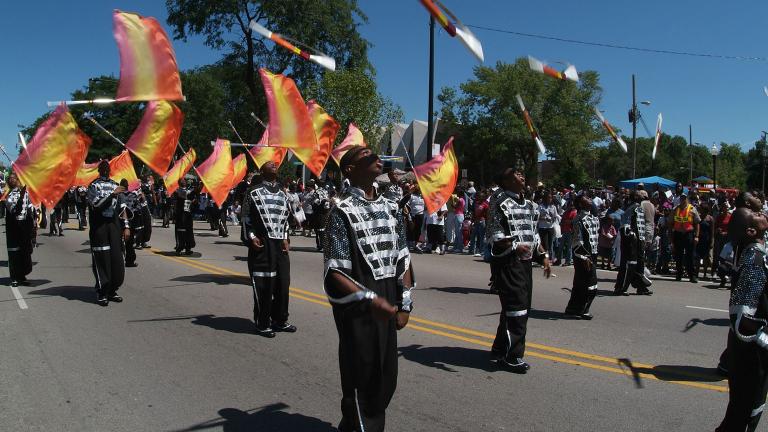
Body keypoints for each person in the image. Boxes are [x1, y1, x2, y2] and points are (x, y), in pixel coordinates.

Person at [323, 147, 414, 432]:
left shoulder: (390, 206)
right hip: (359, 301)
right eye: (367, 156)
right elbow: (335, 271)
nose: (377, 159)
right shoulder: (340, 211)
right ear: (349, 169)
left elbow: (403, 257)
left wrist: (405, 302)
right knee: (364, 376)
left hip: (388, 296)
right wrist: (370, 299)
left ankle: (352, 423)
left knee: (386, 377)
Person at [488, 165, 552, 373]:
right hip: (507, 262)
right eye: (515, 173)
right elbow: (494, 235)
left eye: (522, 173)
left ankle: (499, 348)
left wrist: (543, 256)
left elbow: (534, 235)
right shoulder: (498, 202)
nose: (522, 175)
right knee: (517, 307)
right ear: (506, 181)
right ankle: (513, 356)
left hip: (524, 264)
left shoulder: (532, 206)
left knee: (517, 307)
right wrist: (514, 246)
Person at [716, 210, 768, 431]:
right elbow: (743, 318)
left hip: (750, 350)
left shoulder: (756, 253)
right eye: (755, 213)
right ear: (751, 230)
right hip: (750, 350)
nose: (760, 210)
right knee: (744, 410)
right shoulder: (753, 260)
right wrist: (765, 340)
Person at [242, 161, 295, 338]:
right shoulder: (252, 191)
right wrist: (251, 237)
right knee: (265, 284)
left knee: (283, 283)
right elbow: (245, 217)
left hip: (280, 245)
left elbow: (287, 218)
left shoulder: (283, 192)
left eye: (275, 164)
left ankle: (280, 320)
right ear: (261, 170)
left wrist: (286, 238)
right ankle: (262, 322)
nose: (274, 164)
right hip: (263, 244)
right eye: (269, 164)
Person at [87, 160, 129, 306]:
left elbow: (122, 206)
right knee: (102, 258)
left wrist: (126, 226)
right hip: (99, 226)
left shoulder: (114, 184)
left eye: (107, 167)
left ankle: (113, 289)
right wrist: (112, 194)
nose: (105, 169)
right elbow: (96, 205)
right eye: (102, 167)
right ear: (99, 170)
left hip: (114, 225)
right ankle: (102, 291)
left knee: (116, 258)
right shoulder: (93, 185)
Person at [565, 194, 599, 319]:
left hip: (592, 254)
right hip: (583, 256)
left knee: (580, 283)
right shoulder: (578, 219)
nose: (590, 199)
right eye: (587, 198)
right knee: (591, 284)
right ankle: (583, 309)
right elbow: (577, 241)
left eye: (590, 197)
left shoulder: (593, 217)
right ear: (580, 204)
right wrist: (585, 257)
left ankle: (572, 308)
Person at [614, 191, 653, 296]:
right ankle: (620, 287)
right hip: (632, 240)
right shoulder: (633, 207)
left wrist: (642, 238)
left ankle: (641, 287)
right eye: (641, 195)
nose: (643, 196)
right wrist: (630, 234)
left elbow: (640, 224)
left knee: (639, 264)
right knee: (628, 264)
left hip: (639, 239)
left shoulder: (639, 207)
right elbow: (624, 221)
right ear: (636, 197)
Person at [5, 173, 34, 287]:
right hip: (14, 227)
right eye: (10, 178)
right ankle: (15, 277)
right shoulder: (9, 196)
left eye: (13, 178)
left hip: (24, 226)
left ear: (18, 180)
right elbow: (14, 210)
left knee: (24, 251)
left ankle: (22, 276)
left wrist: (33, 224)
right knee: (14, 252)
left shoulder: (26, 193)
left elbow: (30, 208)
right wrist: (21, 197)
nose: (11, 180)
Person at [670, 192, 701, 283]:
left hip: (689, 234)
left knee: (690, 256)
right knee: (678, 256)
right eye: (681, 198)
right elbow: (670, 223)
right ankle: (679, 274)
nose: (683, 200)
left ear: (687, 199)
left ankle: (692, 276)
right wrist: (671, 238)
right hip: (678, 234)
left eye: (684, 198)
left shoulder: (692, 209)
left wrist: (696, 236)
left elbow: (697, 223)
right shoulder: (675, 209)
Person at [173, 178, 197, 255]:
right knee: (181, 231)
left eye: (184, 180)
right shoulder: (177, 190)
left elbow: (191, 198)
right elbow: (186, 195)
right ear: (179, 183)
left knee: (189, 230)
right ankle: (179, 248)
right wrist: (196, 189)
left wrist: (194, 200)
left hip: (188, 213)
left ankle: (188, 248)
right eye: (182, 181)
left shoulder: (187, 189)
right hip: (181, 214)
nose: (184, 182)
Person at [120, 179, 140, 268]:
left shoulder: (117, 195)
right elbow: (138, 207)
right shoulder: (132, 195)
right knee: (129, 242)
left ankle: (126, 260)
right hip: (129, 221)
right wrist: (132, 212)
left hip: (121, 221)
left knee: (122, 241)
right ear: (128, 186)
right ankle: (129, 261)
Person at [468, 191, 488, 257]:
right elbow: (474, 213)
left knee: (481, 237)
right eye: (478, 196)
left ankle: (481, 251)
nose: (478, 197)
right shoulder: (476, 203)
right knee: (473, 236)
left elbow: (487, 215)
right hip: (476, 222)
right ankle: (471, 250)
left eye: (480, 196)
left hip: (482, 222)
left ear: (483, 197)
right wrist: (472, 221)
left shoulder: (485, 204)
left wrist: (487, 223)